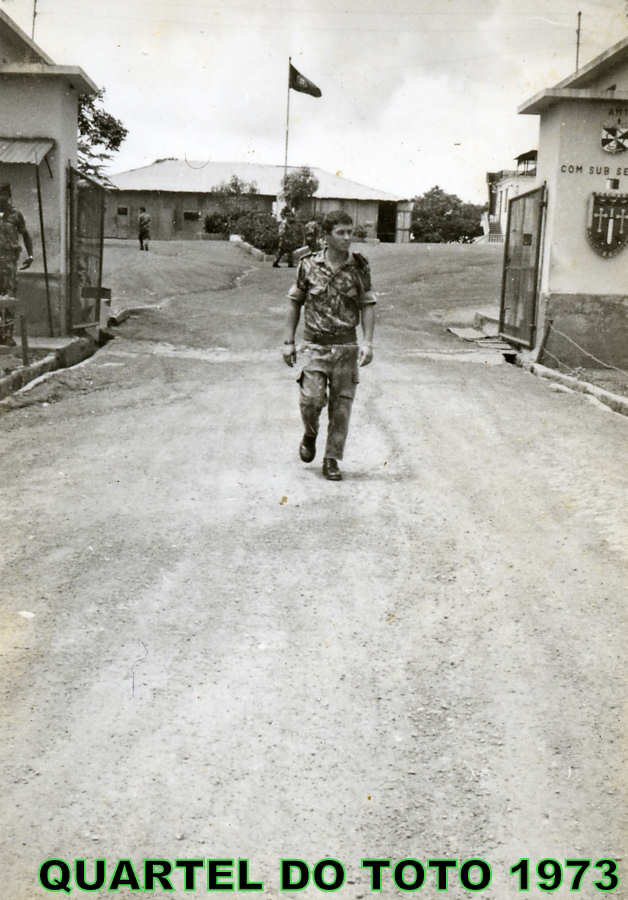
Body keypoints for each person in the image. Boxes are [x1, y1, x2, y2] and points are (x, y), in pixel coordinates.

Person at [282, 209, 375, 481]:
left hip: (346, 347)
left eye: (350, 232)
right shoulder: (308, 265)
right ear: (326, 236)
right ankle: (310, 433)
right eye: (340, 233)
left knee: (341, 408)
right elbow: (295, 302)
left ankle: (332, 459)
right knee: (310, 401)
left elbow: (367, 305)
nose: (347, 238)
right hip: (315, 346)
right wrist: (288, 342)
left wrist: (368, 342)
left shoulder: (359, 267)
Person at [0, 183, 33, 347]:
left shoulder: (15, 215)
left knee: (9, 298)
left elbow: (25, 234)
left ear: (9, 196)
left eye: (3, 194)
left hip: (9, 263)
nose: (0, 198)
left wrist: (30, 255)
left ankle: (7, 335)